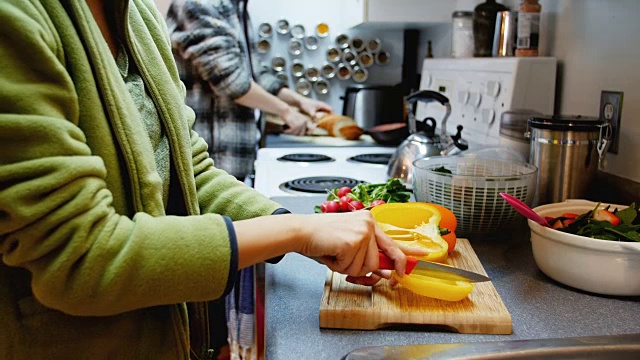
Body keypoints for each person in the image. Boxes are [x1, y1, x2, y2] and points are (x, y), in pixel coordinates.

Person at [0, 1, 421, 359]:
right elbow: (79, 258)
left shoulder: (138, 15)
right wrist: (295, 230)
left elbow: (190, 171)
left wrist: (294, 225)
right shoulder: (17, 15)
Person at [166, 0, 333, 181]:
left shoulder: (234, 7)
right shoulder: (200, 4)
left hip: (232, 156)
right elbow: (230, 80)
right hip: (210, 156)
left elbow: (253, 74)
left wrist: (301, 101)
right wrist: (286, 112)